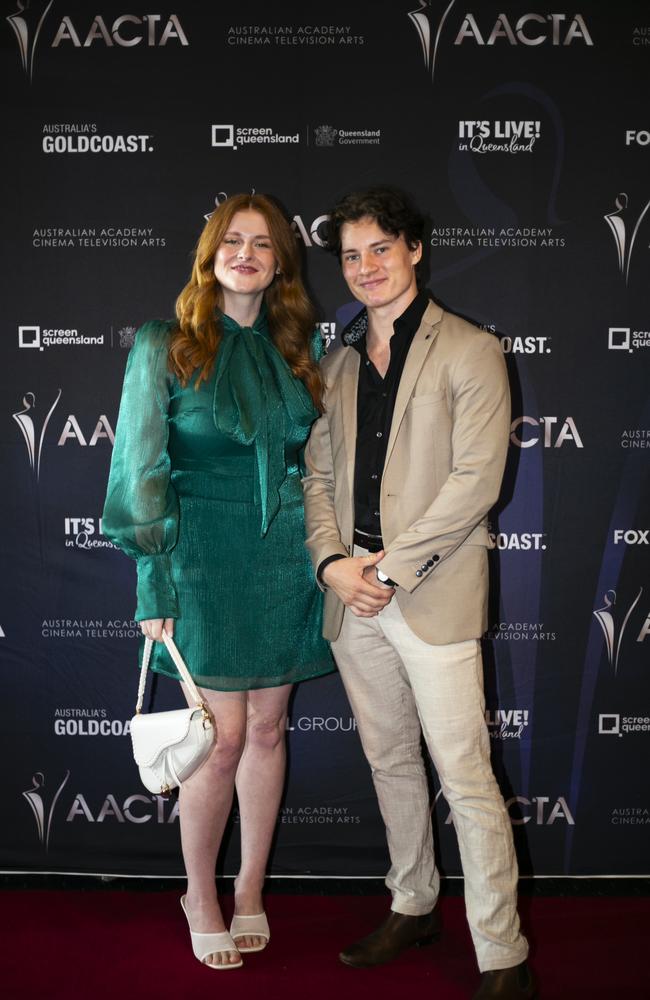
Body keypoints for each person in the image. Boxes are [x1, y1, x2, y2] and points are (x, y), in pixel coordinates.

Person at [302, 187, 536, 1000]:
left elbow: (477, 483)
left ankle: (502, 954)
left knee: (465, 773)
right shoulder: (335, 362)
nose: (365, 267)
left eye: (379, 249)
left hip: (423, 595)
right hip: (352, 594)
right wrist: (334, 564)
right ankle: (413, 904)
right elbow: (319, 475)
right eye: (351, 255)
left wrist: (387, 571)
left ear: (413, 251)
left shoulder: (471, 350)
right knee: (389, 761)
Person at [103, 193, 332, 970]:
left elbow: (316, 463)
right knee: (223, 738)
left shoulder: (298, 349)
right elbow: (140, 471)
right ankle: (198, 892)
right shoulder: (164, 344)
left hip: (284, 558)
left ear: (280, 264)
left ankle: (249, 889)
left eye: (262, 244)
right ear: (209, 255)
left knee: (269, 730)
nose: (246, 254)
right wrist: (152, 584)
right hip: (199, 556)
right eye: (231, 241)